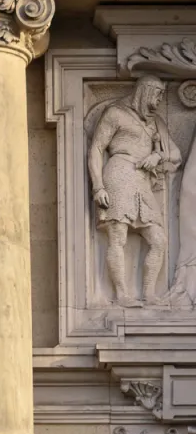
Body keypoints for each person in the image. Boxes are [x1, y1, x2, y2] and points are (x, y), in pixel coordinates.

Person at [88, 75, 180, 306]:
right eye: (157, 94)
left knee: (158, 240)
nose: (159, 100)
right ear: (146, 91)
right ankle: (121, 294)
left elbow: (175, 153)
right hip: (118, 174)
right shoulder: (115, 113)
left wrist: (156, 155)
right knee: (117, 236)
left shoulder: (155, 122)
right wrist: (98, 186)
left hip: (141, 181)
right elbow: (97, 148)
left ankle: (149, 294)